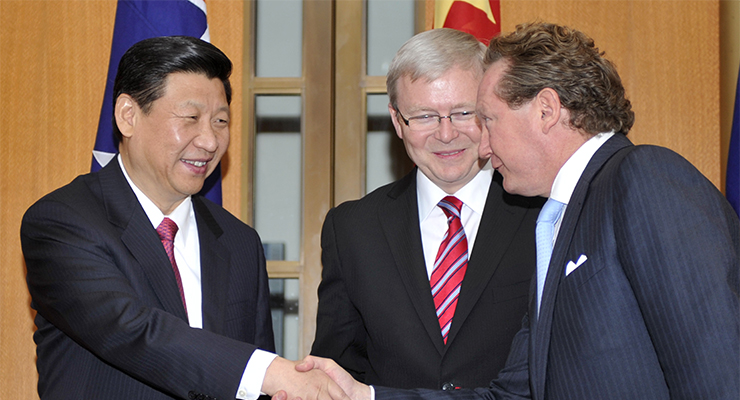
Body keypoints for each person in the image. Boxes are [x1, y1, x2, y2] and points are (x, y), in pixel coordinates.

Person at [294, 22, 740, 400]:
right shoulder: (561, 219)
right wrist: (364, 396)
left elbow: (720, 368)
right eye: (427, 116)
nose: (479, 144)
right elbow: (512, 393)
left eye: (483, 118)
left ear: (546, 110)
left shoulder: (643, 177)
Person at [21, 36, 347, 400]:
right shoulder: (62, 222)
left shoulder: (239, 241)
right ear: (128, 115)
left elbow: (252, 383)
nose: (210, 141)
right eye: (191, 118)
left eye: (220, 121)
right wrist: (271, 372)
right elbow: (132, 331)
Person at [311, 28, 543, 390]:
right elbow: (340, 372)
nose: (446, 134)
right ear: (397, 121)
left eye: (464, 112)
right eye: (424, 116)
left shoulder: (543, 213)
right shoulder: (353, 228)